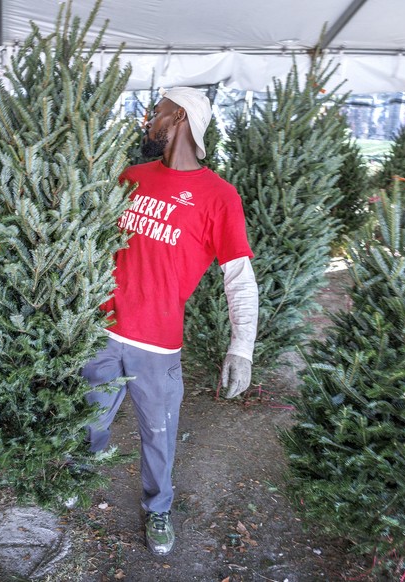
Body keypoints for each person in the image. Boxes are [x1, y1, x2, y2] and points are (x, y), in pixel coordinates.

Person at [81, 87, 259, 556]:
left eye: (156, 112)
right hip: (100, 333)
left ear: (178, 116)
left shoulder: (219, 197)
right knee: (88, 419)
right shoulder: (131, 176)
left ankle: (158, 506)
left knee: (158, 434)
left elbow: (239, 277)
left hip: (157, 346)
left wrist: (242, 347)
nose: (149, 120)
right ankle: (78, 474)